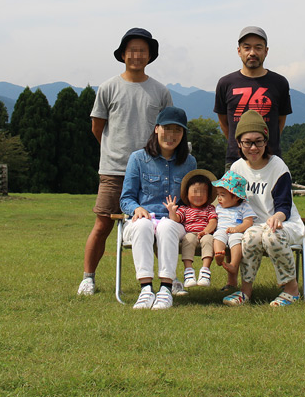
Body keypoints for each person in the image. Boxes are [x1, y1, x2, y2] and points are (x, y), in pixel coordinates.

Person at [78, 28, 172, 296]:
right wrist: (114, 152)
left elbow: (167, 131)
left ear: (150, 55)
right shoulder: (108, 88)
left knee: (161, 223)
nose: (137, 55)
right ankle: (88, 278)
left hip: (152, 170)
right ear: (122, 55)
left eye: (142, 50)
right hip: (114, 170)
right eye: (131, 50)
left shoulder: (160, 91)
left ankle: (169, 280)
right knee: (102, 224)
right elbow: (98, 128)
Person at [222, 110, 305, 307]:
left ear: (266, 142)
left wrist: (277, 216)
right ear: (239, 144)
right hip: (252, 225)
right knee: (250, 236)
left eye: (258, 141)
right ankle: (246, 291)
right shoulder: (236, 168)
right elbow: (229, 201)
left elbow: (284, 204)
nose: (253, 147)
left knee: (271, 235)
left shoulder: (278, 166)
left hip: (283, 223)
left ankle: (291, 289)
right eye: (247, 142)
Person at [120, 107, 197, 309]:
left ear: (183, 134)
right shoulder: (137, 158)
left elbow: (191, 202)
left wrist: (177, 214)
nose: (171, 136)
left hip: (173, 222)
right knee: (143, 225)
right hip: (142, 220)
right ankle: (146, 289)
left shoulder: (189, 162)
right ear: (156, 129)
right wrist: (136, 209)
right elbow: (126, 198)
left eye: (177, 131)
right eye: (166, 129)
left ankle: (165, 289)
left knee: (166, 226)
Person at [214, 26, 292, 169]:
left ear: (266, 51)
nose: (252, 53)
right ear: (239, 51)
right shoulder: (225, 83)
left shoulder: (279, 83)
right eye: (247, 47)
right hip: (235, 160)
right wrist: (242, 145)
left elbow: (280, 122)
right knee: (234, 193)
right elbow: (224, 123)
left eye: (258, 47)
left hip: (271, 160)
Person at [165, 169, 218, 288]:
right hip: (190, 233)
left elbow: (213, 221)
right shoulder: (184, 209)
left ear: (208, 195)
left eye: (203, 192)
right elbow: (176, 219)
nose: (198, 195)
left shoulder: (209, 208)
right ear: (187, 194)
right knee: (188, 239)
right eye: (194, 191)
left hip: (205, 233)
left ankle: (205, 271)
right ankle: (188, 271)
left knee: (209, 240)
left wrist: (206, 231)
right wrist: (172, 211)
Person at [211, 170, 257, 290]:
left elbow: (248, 222)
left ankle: (233, 264)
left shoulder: (244, 206)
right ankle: (218, 254)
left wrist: (237, 229)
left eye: (222, 195)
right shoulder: (219, 208)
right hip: (222, 230)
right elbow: (213, 220)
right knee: (218, 236)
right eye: (218, 194)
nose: (219, 198)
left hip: (237, 232)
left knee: (236, 240)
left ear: (236, 196)